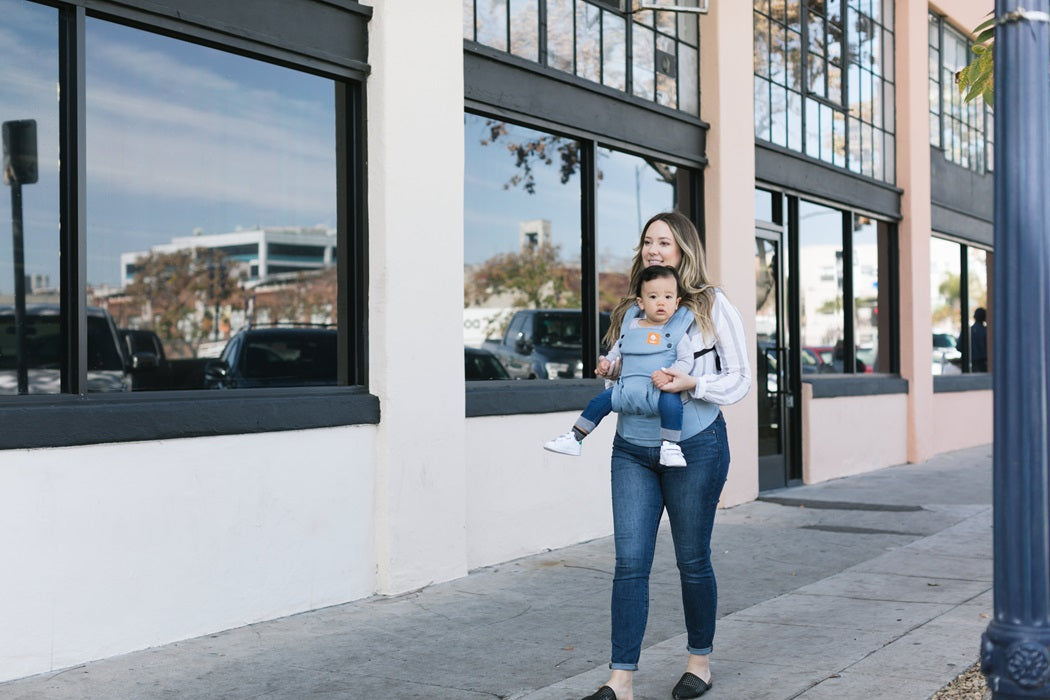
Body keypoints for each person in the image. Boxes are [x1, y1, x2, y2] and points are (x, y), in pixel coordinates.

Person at [579, 211, 751, 700]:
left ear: (684, 250)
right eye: (648, 241)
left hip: (695, 446)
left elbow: (740, 378)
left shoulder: (711, 306)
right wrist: (610, 372)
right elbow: (627, 371)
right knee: (629, 561)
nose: (654, 249)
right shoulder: (632, 308)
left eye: (664, 242)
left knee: (692, 559)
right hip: (632, 448)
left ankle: (699, 662)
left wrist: (694, 381)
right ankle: (621, 679)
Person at [544, 265, 695, 467]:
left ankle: (670, 446)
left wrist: (668, 375)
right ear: (641, 302)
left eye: (668, 297)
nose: (661, 302)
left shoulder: (677, 333)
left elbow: (686, 361)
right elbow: (617, 350)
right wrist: (606, 363)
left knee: (672, 404)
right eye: (653, 297)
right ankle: (575, 437)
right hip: (626, 389)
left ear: (676, 303)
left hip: (658, 389)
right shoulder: (630, 327)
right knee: (599, 402)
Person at [970, 307, 988, 372]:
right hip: (984, 364)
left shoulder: (969, 330)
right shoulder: (986, 331)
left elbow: (959, 347)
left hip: (971, 364)